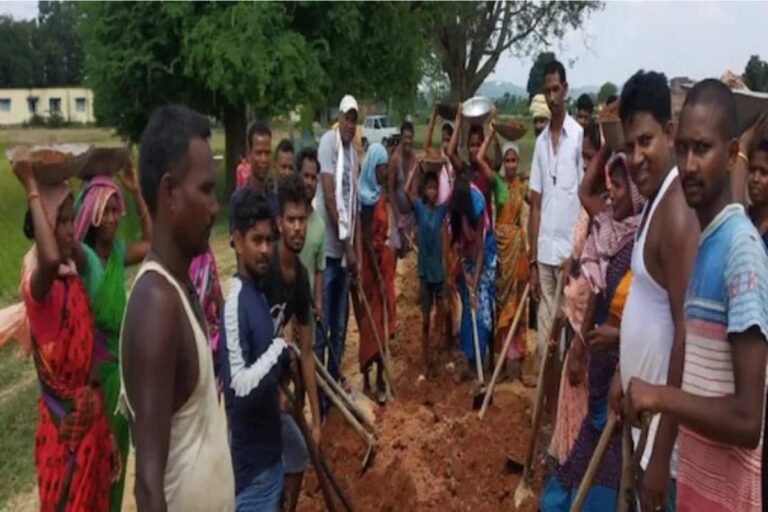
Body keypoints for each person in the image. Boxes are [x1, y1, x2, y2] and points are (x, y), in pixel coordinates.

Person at [627, 79, 768, 512]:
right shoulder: (709, 242)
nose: (688, 164)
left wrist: (659, 397)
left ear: (729, 156)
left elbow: (748, 420)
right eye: (683, 147)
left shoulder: (740, 251)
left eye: (702, 149)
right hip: (697, 486)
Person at [119, 105, 234, 511]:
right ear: (169, 194)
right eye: (205, 190)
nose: (215, 207)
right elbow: (148, 489)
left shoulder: (179, 289)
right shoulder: (156, 305)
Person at [1, 151, 118, 511]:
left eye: (71, 220)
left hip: (91, 429)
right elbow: (49, 258)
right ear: (44, 226)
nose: (72, 229)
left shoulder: (73, 281)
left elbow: (88, 359)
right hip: (63, 438)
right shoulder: (41, 289)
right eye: (61, 221)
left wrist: (107, 429)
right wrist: (31, 187)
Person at [609, 70, 700, 512]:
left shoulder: (677, 215)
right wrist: (619, 375)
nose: (636, 156)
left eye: (646, 141)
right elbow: (648, 306)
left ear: (669, 133)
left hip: (665, 439)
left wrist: (663, 452)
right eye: (629, 146)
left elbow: (687, 335)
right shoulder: (655, 204)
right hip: (642, 422)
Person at [541, 151, 645, 511]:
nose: (611, 193)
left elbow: (649, 316)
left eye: (619, 185)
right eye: (611, 184)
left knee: (613, 453)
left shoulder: (642, 246)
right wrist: (583, 346)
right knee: (590, 439)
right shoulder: (608, 231)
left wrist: (617, 340)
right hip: (599, 364)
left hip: (623, 366)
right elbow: (597, 292)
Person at [72, 165, 151, 511]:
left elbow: (153, 244)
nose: (112, 218)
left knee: (115, 468)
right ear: (89, 214)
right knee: (92, 467)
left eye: (116, 210)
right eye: (105, 209)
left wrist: (135, 192)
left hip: (119, 379)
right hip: (91, 378)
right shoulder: (84, 260)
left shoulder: (117, 253)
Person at [220, 187, 289, 510]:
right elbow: (239, 387)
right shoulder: (236, 302)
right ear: (236, 240)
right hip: (251, 476)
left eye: (269, 241)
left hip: (269, 462)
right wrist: (279, 347)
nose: (265, 250)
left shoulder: (257, 294)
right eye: (255, 240)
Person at [259, 175, 322, 512]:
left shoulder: (299, 277)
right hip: (253, 391)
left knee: (298, 456)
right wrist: (274, 391)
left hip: (279, 391)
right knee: (261, 477)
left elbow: (308, 353)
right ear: (279, 223)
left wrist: (316, 420)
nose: (298, 227)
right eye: (291, 220)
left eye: (303, 220)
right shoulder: (263, 270)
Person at [528, 60, 584, 417]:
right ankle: (548, 415)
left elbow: (587, 203)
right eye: (546, 90)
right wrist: (533, 260)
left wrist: (577, 254)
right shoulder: (538, 144)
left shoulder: (579, 140)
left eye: (555, 89)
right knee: (545, 346)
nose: (551, 97)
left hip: (570, 260)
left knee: (567, 347)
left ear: (565, 89)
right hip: (545, 258)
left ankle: (567, 419)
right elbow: (535, 205)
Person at [314, 94, 360, 385]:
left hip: (344, 256)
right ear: (339, 118)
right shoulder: (328, 144)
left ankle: (334, 381)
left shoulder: (354, 153)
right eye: (347, 117)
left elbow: (351, 202)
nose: (349, 124)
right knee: (323, 326)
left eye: (354, 120)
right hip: (328, 252)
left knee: (340, 326)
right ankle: (320, 389)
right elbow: (331, 197)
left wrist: (352, 250)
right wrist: (347, 246)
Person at [479, 123, 530, 381]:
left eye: (513, 160)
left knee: (519, 308)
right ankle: (500, 366)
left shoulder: (522, 185)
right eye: (507, 160)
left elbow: (540, 204)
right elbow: (478, 158)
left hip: (518, 251)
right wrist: (491, 134)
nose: (510, 164)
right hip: (501, 249)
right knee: (502, 307)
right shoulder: (497, 181)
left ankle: (518, 367)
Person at [355, 143, 395, 403]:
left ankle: (382, 376)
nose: (385, 172)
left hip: (385, 262)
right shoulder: (366, 198)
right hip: (372, 267)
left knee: (384, 321)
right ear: (373, 167)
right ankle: (369, 378)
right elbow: (367, 239)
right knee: (370, 322)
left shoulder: (381, 193)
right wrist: (378, 276)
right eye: (382, 167)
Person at [404, 157, 450, 378]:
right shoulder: (420, 210)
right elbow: (406, 190)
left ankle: (437, 351)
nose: (432, 192)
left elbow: (450, 197)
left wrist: (446, 171)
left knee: (442, 310)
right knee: (424, 318)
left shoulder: (440, 211)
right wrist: (416, 167)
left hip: (438, 273)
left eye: (435, 188)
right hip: (425, 273)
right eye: (429, 187)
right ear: (424, 190)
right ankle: (425, 359)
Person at [449, 175, 497, 376]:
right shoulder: (455, 209)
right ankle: (468, 358)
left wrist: (475, 282)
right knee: (468, 307)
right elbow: (457, 243)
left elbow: (479, 250)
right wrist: (465, 272)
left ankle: (481, 358)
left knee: (481, 307)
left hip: (483, 255)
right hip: (466, 256)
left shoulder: (477, 206)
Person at [447, 107, 503, 226]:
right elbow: (450, 152)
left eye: (479, 145)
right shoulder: (464, 170)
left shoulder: (488, 169)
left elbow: (499, 162)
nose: (476, 149)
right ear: (467, 147)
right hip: (469, 233)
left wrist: (493, 130)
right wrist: (458, 121)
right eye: (472, 145)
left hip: (485, 231)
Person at [296, 148, 327, 359]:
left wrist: (318, 302)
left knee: (305, 364)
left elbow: (319, 268)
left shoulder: (319, 225)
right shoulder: (289, 218)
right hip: (284, 308)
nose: (309, 182)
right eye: (305, 176)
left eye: (313, 178)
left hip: (306, 310)